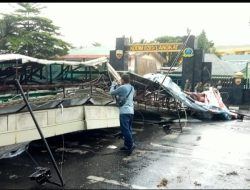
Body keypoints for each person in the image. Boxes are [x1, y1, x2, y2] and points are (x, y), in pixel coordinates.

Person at [110, 74, 135, 154]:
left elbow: (111, 93)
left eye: (121, 80)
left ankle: (131, 145)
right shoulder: (132, 88)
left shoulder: (122, 87)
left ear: (123, 80)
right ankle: (127, 145)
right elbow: (122, 94)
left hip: (124, 111)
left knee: (125, 130)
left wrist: (113, 84)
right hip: (131, 111)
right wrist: (119, 85)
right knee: (129, 129)